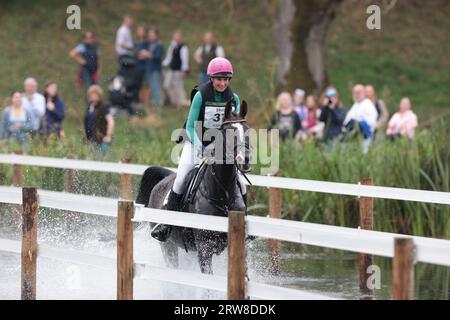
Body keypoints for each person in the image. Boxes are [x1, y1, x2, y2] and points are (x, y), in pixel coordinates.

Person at [151, 57, 246, 242]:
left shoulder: (234, 98)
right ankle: (167, 224)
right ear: (211, 78)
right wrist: (201, 148)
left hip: (220, 144)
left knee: (241, 181)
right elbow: (190, 127)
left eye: (226, 79)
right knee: (180, 179)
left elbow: (235, 126)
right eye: (219, 79)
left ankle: (244, 227)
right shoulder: (201, 95)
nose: (223, 83)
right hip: (196, 141)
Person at [343, 84, 378, 153]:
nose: (357, 94)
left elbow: (371, 122)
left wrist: (359, 122)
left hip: (364, 136)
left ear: (364, 93)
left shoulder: (368, 104)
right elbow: (347, 120)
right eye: (355, 92)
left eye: (359, 92)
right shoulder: (355, 105)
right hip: (353, 137)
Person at [84, 85, 115, 154]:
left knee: (101, 160)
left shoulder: (103, 107)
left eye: (95, 94)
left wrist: (108, 135)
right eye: (91, 94)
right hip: (91, 140)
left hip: (101, 140)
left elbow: (111, 121)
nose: (93, 96)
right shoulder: (89, 108)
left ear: (99, 96)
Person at [162, 31, 189, 108]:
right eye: (175, 38)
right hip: (171, 69)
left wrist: (184, 70)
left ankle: (179, 104)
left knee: (179, 87)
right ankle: (174, 100)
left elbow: (185, 60)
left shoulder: (183, 47)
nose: (176, 40)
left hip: (179, 70)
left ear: (180, 39)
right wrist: (163, 64)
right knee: (167, 85)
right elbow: (169, 57)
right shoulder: (172, 46)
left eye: (177, 38)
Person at [147, 27, 164, 109]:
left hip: (156, 70)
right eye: (150, 35)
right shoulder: (151, 44)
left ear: (156, 36)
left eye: (152, 35)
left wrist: (148, 54)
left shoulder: (159, 45)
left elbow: (158, 56)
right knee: (153, 88)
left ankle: (156, 106)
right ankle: (154, 105)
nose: (150, 37)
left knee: (156, 87)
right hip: (151, 69)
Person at [134, 25, 151, 107]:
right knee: (139, 86)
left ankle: (147, 103)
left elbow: (149, 53)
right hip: (138, 67)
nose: (140, 33)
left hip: (146, 66)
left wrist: (144, 55)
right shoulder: (136, 43)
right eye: (139, 31)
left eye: (142, 31)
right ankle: (140, 103)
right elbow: (135, 54)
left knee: (146, 85)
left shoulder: (147, 43)